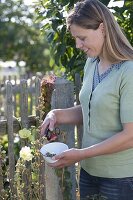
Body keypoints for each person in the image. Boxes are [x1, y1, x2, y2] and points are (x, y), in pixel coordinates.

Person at [41, 0, 133, 199]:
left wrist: (80, 154)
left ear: (102, 28)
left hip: (121, 179)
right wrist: (56, 114)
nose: (78, 45)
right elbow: (92, 109)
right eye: (75, 38)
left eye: (82, 37)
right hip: (89, 174)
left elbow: (131, 135)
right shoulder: (92, 63)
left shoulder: (129, 71)